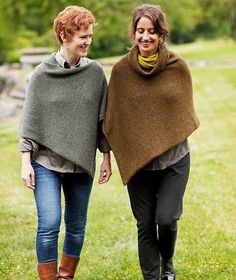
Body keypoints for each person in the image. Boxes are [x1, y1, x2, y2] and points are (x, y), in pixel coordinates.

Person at [103, 4, 199, 280]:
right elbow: (113, 119)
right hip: (138, 163)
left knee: (166, 220)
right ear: (133, 33)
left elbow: (183, 112)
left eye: (152, 31)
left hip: (174, 160)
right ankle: (153, 276)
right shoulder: (121, 72)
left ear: (161, 34)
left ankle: (167, 261)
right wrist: (110, 155)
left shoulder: (177, 67)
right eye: (140, 31)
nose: (146, 37)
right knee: (144, 223)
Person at [19, 6, 111, 280]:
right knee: (49, 223)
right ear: (64, 35)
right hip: (46, 162)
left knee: (76, 225)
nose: (88, 42)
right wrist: (26, 163)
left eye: (90, 36)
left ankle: (66, 276)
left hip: (80, 162)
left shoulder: (95, 73)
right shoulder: (41, 74)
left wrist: (106, 156)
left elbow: (102, 119)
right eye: (83, 36)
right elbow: (30, 121)